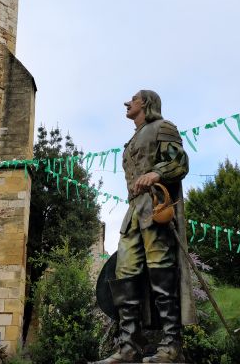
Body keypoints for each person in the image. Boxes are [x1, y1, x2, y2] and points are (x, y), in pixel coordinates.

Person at [96, 90, 195, 364]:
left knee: (161, 273)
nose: (127, 103)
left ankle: (171, 346)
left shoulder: (163, 127)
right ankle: (129, 346)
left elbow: (180, 162)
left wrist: (156, 173)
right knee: (124, 274)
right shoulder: (129, 142)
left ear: (146, 104)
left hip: (156, 208)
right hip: (133, 214)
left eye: (134, 99)